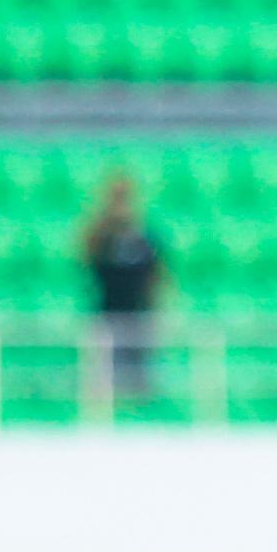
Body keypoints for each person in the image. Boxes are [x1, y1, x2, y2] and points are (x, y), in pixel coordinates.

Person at [80, 170, 169, 399]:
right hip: (108, 315)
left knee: (139, 380)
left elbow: (159, 276)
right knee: (105, 381)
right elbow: (85, 257)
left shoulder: (145, 237)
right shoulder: (101, 236)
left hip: (139, 316)